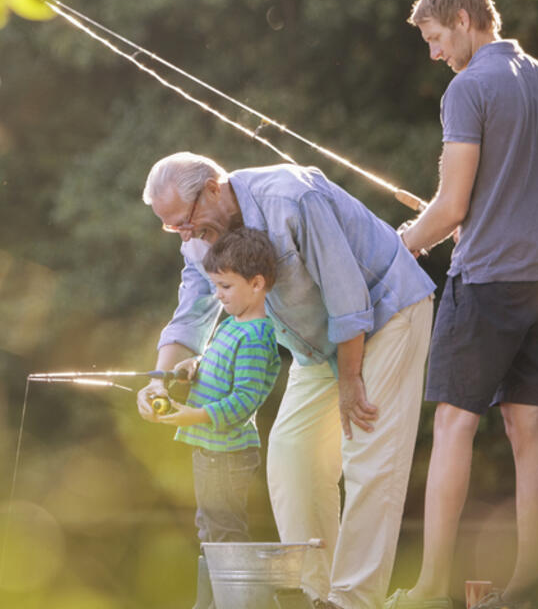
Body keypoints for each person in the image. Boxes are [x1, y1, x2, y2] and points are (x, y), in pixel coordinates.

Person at [139, 153, 436, 609]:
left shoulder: (292, 198)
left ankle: (353, 600)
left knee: (368, 452)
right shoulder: (199, 237)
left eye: (186, 220)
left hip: (385, 312)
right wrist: (160, 378)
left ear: (214, 188)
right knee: (291, 454)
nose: (184, 234)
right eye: (171, 227)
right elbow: (195, 303)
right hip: (318, 343)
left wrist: (351, 379)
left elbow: (347, 294)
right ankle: (316, 594)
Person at [385, 0, 538, 609]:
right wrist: (501, 212)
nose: (434, 53)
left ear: (468, 19)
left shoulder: (468, 88)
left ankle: (430, 587)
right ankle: (529, 587)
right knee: (531, 429)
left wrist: (403, 243)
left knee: (451, 425)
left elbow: (448, 209)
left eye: (437, 38)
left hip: (485, 285)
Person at [152, 226, 283, 609]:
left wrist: (193, 416)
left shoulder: (257, 336)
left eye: (225, 286)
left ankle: (236, 604)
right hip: (208, 452)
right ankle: (209, 604)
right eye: (215, 285)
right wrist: (193, 366)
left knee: (226, 534)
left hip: (228, 456)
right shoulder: (230, 324)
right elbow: (215, 364)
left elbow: (244, 401)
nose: (218, 295)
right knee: (209, 531)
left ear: (257, 283)